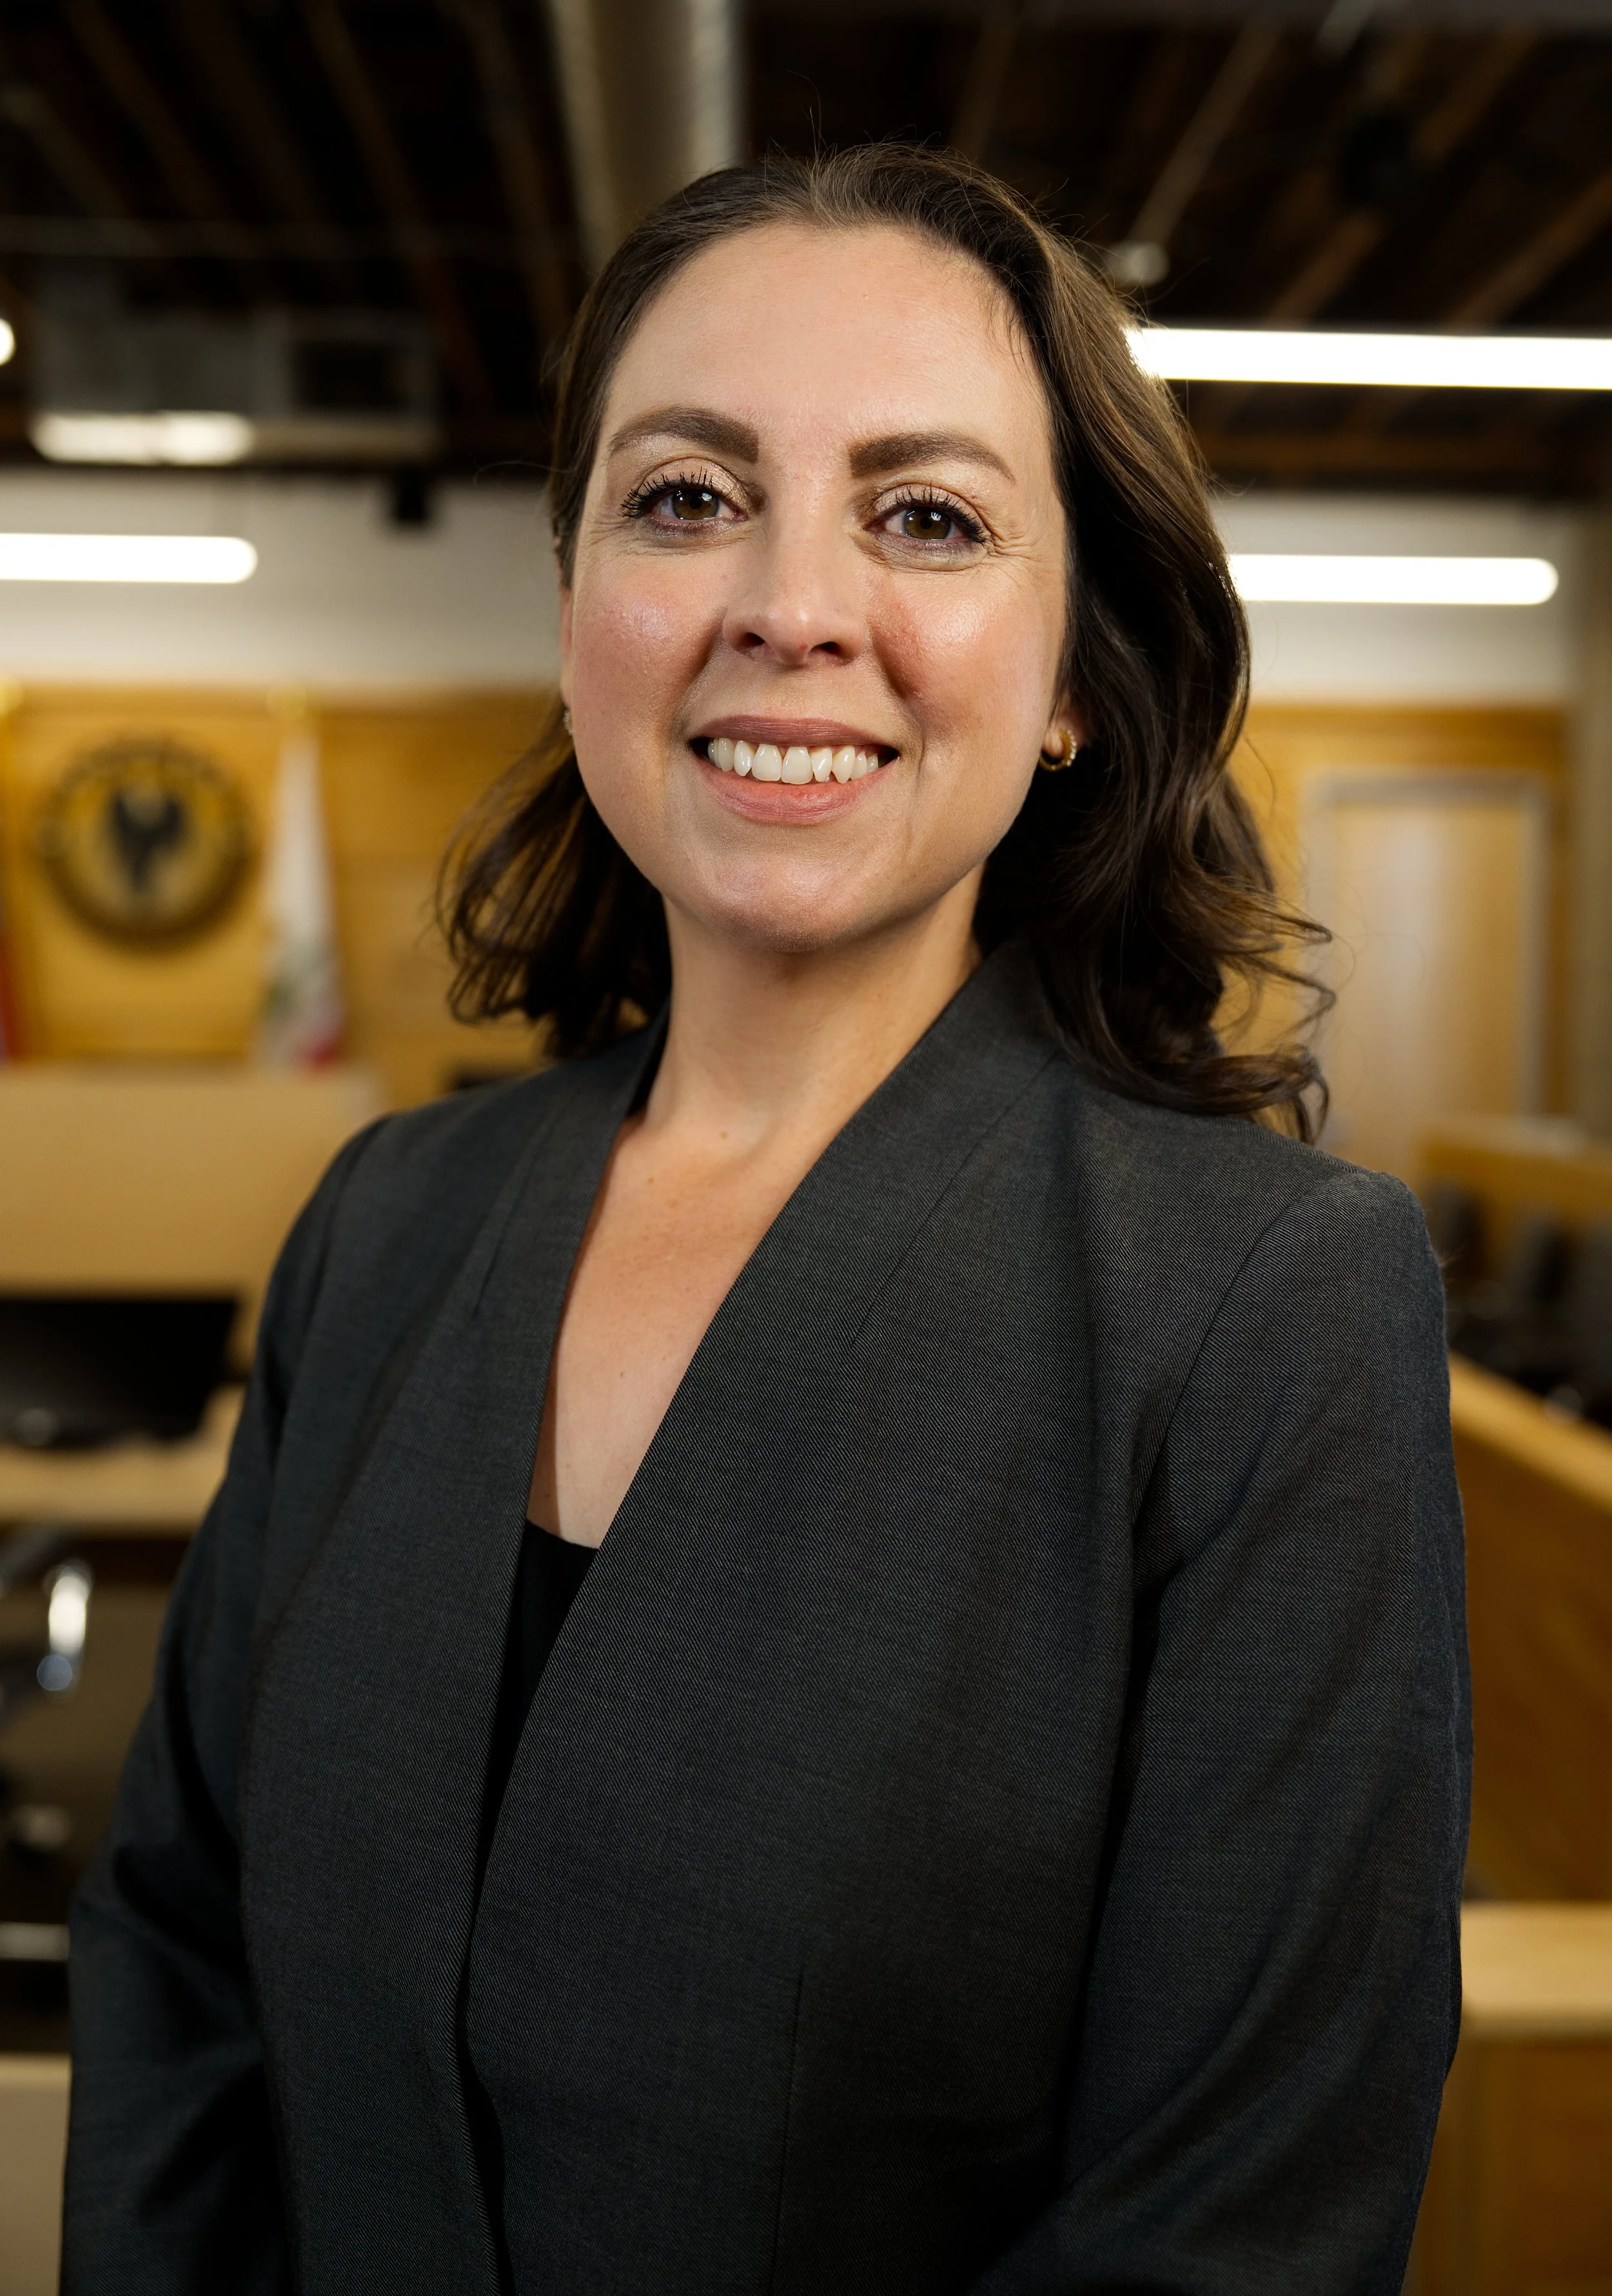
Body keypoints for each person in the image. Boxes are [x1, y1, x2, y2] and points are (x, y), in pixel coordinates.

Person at [63, 146, 1468, 2296]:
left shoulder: (1268, 1304)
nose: (788, 603)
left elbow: (1235, 2224)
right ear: (576, 619)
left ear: (1074, 675)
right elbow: (178, 1958)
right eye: (688, 496)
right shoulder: (390, 1222)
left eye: (928, 518)